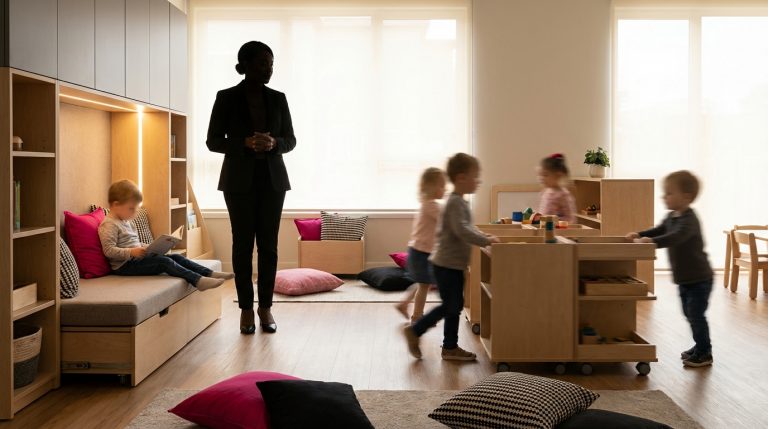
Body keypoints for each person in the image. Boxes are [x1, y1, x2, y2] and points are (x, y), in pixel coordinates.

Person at [206, 41, 296, 334]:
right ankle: (246, 308)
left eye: (271, 64)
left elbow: (291, 140)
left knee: (268, 247)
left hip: (272, 181)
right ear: (243, 67)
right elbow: (213, 140)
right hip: (238, 181)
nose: (268, 69)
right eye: (262, 64)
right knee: (242, 245)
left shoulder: (279, 98)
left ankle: (266, 307)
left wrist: (274, 143)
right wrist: (243, 142)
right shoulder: (226, 97)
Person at [403, 153, 499, 361]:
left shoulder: (460, 203)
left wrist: (484, 236)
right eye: (476, 176)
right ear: (461, 178)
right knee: (451, 306)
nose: (479, 181)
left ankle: (449, 346)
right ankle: (419, 331)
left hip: (452, 265)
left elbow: (467, 227)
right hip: (446, 265)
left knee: (453, 305)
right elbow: (462, 230)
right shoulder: (455, 203)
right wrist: (486, 241)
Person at [626, 170, 714, 368]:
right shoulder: (671, 217)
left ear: (686, 197)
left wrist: (651, 242)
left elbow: (675, 237)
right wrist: (639, 234)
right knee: (689, 313)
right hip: (685, 279)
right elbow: (659, 230)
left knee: (696, 314)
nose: (664, 197)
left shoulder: (689, 220)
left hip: (700, 279)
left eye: (669, 193)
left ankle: (705, 351)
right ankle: (699, 345)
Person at [98, 180, 233, 290]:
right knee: (165, 262)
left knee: (175, 256)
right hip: (124, 267)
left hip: (136, 259)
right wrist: (131, 252)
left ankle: (208, 273)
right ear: (116, 205)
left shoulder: (126, 221)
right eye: (131, 208)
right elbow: (108, 250)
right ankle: (198, 281)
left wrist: (150, 247)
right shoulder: (109, 224)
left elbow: (135, 243)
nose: (134, 212)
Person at [396, 167, 446, 324]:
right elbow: (446, 220)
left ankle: (404, 305)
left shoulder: (427, 205)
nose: (444, 189)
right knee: (424, 285)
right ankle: (417, 317)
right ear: (432, 187)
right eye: (442, 186)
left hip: (420, 251)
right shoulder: (431, 206)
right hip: (421, 253)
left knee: (423, 283)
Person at [537, 153, 576, 223]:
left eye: (545, 175)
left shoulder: (563, 195)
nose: (541, 178)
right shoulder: (546, 191)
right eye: (540, 175)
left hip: (560, 231)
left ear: (558, 175)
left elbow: (570, 218)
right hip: (546, 229)